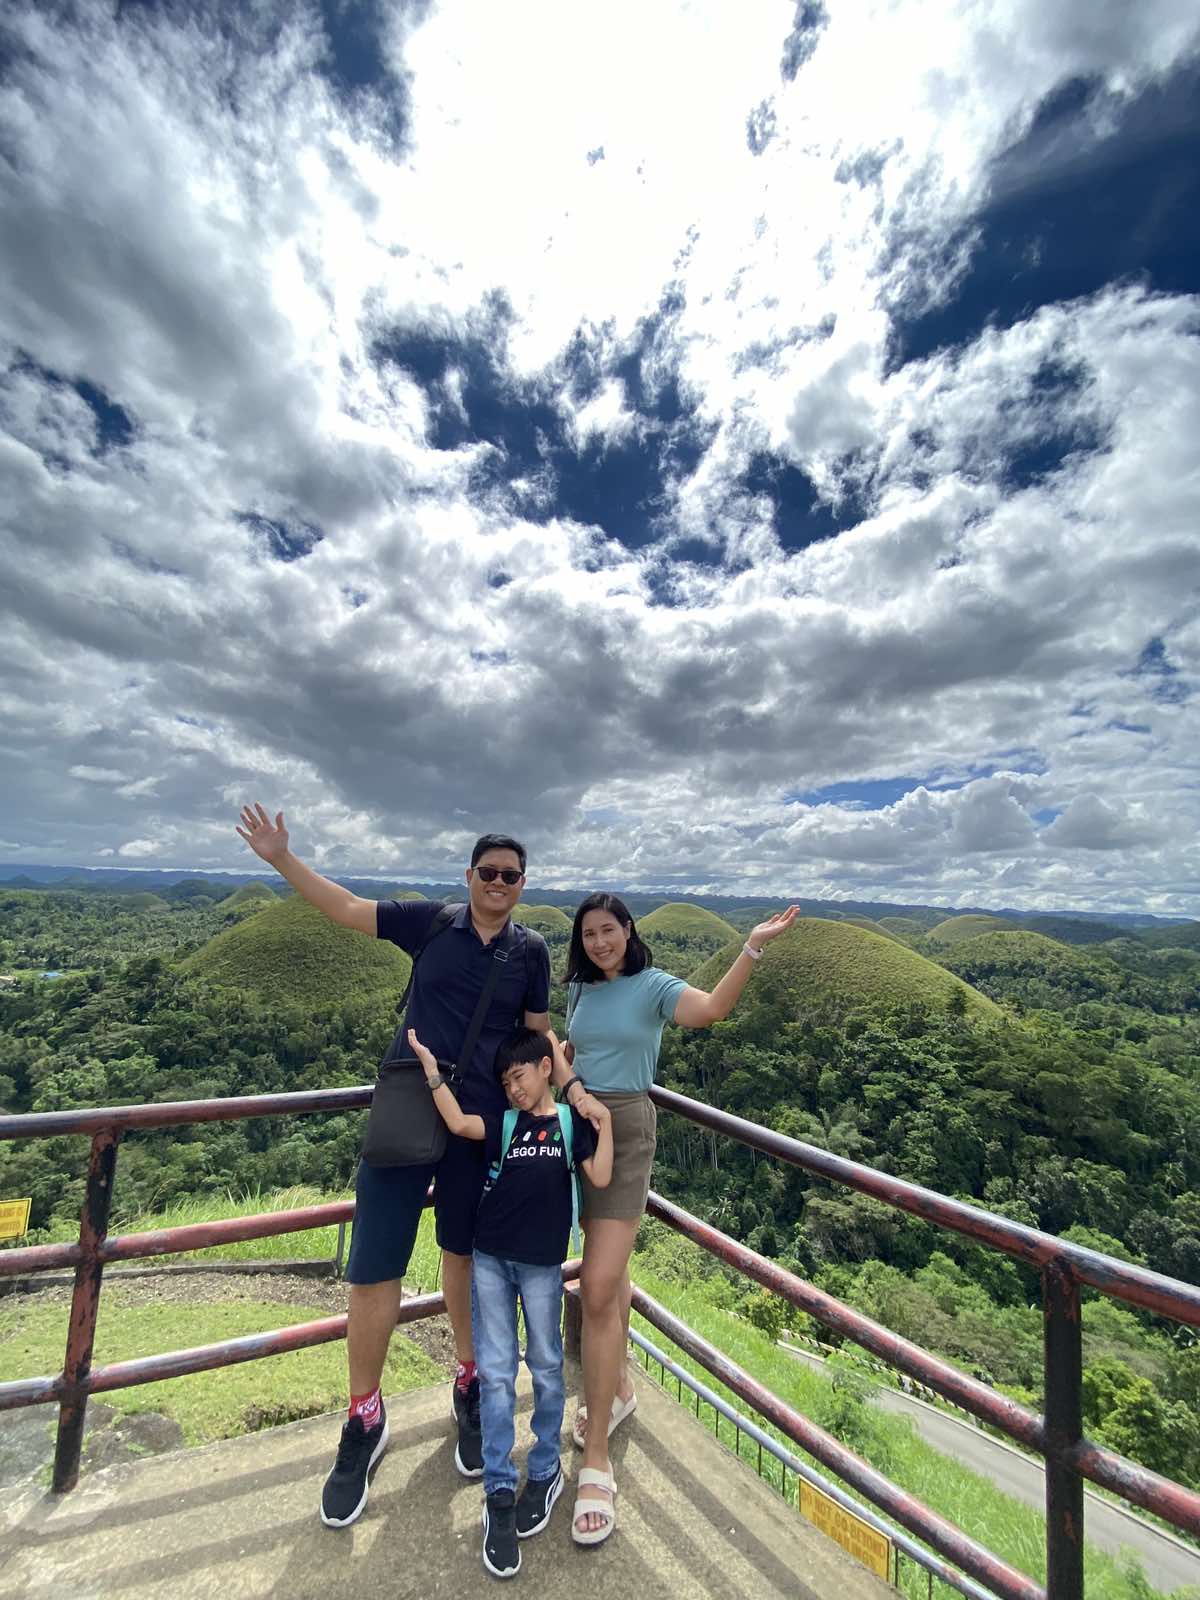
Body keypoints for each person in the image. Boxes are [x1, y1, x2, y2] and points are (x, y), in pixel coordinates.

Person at [235, 805, 599, 1528]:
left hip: (480, 1128)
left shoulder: (529, 953)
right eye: (488, 872)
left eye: (512, 875)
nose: (499, 882)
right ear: (469, 877)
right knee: (375, 1268)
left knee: (462, 1254)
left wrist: (571, 1094)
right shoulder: (428, 921)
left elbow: (536, 1039)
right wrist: (281, 857)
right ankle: (365, 1416)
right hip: (408, 1110)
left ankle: (469, 1381)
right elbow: (343, 906)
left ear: (522, 886)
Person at [563, 892, 799, 1543]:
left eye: (608, 931)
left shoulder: (653, 985)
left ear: (628, 931)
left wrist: (750, 946)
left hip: (628, 1128)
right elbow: (570, 1053)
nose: (599, 942)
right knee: (611, 1274)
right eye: (589, 934)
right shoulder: (580, 992)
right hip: (579, 1126)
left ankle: (598, 1462)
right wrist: (568, 1090)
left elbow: (712, 1010)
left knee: (598, 1286)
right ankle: (620, 1393)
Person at [410, 1025, 613, 1578]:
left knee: (547, 1367)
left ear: (546, 1068)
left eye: (519, 1076)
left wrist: (606, 1120)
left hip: (543, 1265)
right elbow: (456, 1122)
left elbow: (601, 1173)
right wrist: (431, 1069)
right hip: (492, 1260)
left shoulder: (571, 1126)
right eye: (505, 1082)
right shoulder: (503, 1124)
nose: (513, 1089)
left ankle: (545, 1469)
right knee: (497, 1373)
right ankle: (499, 1491)